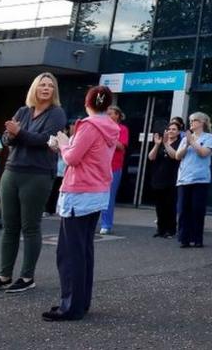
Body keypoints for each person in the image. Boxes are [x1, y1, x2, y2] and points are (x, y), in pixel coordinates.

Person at [0, 72, 67, 294]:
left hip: (37, 174)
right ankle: (4, 275)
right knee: (9, 227)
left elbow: (46, 141)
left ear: (54, 91)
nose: (46, 88)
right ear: (34, 89)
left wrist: (19, 133)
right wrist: (11, 136)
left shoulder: (57, 113)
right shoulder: (22, 111)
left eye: (50, 85)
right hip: (12, 170)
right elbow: (6, 138)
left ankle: (27, 276)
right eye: (42, 85)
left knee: (30, 226)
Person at [45, 85, 122, 321]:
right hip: (97, 191)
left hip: (79, 191)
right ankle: (81, 301)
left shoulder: (89, 126)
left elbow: (72, 157)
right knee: (84, 250)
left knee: (69, 252)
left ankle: (71, 305)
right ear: (107, 105)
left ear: (87, 103)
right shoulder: (112, 126)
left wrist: (62, 143)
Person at [173, 111, 212, 247]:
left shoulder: (209, 137)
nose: (191, 123)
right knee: (183, 210)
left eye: (194, 120)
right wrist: (187, 143)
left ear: (202, 122)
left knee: (197, 210)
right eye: (190, 121)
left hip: (200, 179)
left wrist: (193, 142)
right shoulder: (185, 139)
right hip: (184, 178)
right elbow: (178, 156)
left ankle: (197, 238)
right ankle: (184, 238)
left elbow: (204, 153)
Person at [147, 121, 181, 238]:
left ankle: (170, 229)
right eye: (169, 129)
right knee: (159, 205)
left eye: (174, 129)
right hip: (158, 177)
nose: (171, 131)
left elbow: (175, 156)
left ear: (178, 132)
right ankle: (160, 229)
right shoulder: (160, 143)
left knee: (170, 205)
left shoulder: (179, 143)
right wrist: (157, 144)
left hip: (172, 177)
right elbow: (151, 157)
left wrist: (166, 144)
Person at [99, 105, 130, 236]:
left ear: (117, 115)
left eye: (111, 113)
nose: (108, 115)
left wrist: (108, 136)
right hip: (99, 166)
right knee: (97, 195)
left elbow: (122, 147)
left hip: (114, 167)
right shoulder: (101, 128)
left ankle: (106, 224)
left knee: (109, 197)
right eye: (107, 113)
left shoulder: (122, 129)